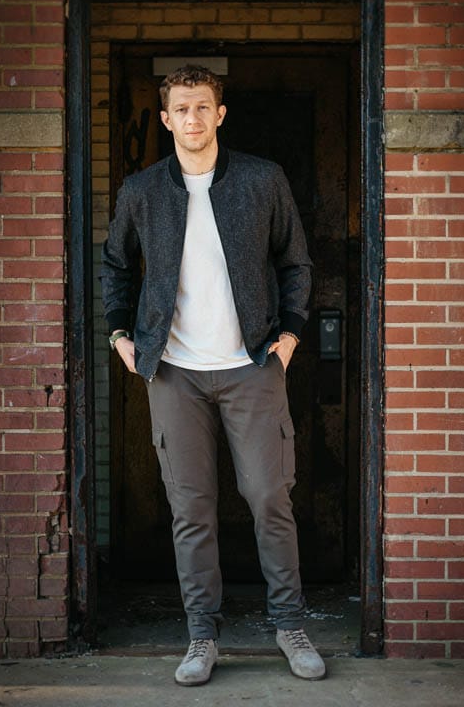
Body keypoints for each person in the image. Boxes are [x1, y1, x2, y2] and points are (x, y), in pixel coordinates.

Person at [100, 64, 326, 686]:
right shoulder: (142, 191)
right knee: (190, 509)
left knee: (268, 499)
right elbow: (115, 266)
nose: (193, 119)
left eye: (204, 107)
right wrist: (121, 337)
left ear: (219, 114)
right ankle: (202, 635)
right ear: (167, 118)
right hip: (174, 373)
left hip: (251, 366)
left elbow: (296, 262)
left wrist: (289, 337)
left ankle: (290, 623)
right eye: (181, 109)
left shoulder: (261, 180)